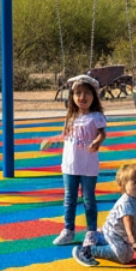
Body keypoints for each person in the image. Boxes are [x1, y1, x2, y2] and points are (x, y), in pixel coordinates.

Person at [41, 75, 107, 246]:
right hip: (70, 163)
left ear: (93, 96)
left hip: (88, 164)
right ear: (72, 96)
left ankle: (91, 232)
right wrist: (51, 140)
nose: (82, 97)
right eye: (78, 93)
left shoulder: (96, 116)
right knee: (69, 198)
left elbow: (102, 133)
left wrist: (97, 142)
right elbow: (65, 135)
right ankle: (68, 230)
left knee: (88, 199)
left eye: (86, 93)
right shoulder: (71, 116)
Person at [75, 162, 136, 267]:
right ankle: (88, 250)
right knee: (122, 256)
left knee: (128, 256)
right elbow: (129, 227)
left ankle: (97, 238)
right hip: (113, 232)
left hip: (120, 233)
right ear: (124, 186)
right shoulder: (126, 203)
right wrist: (134, 241)